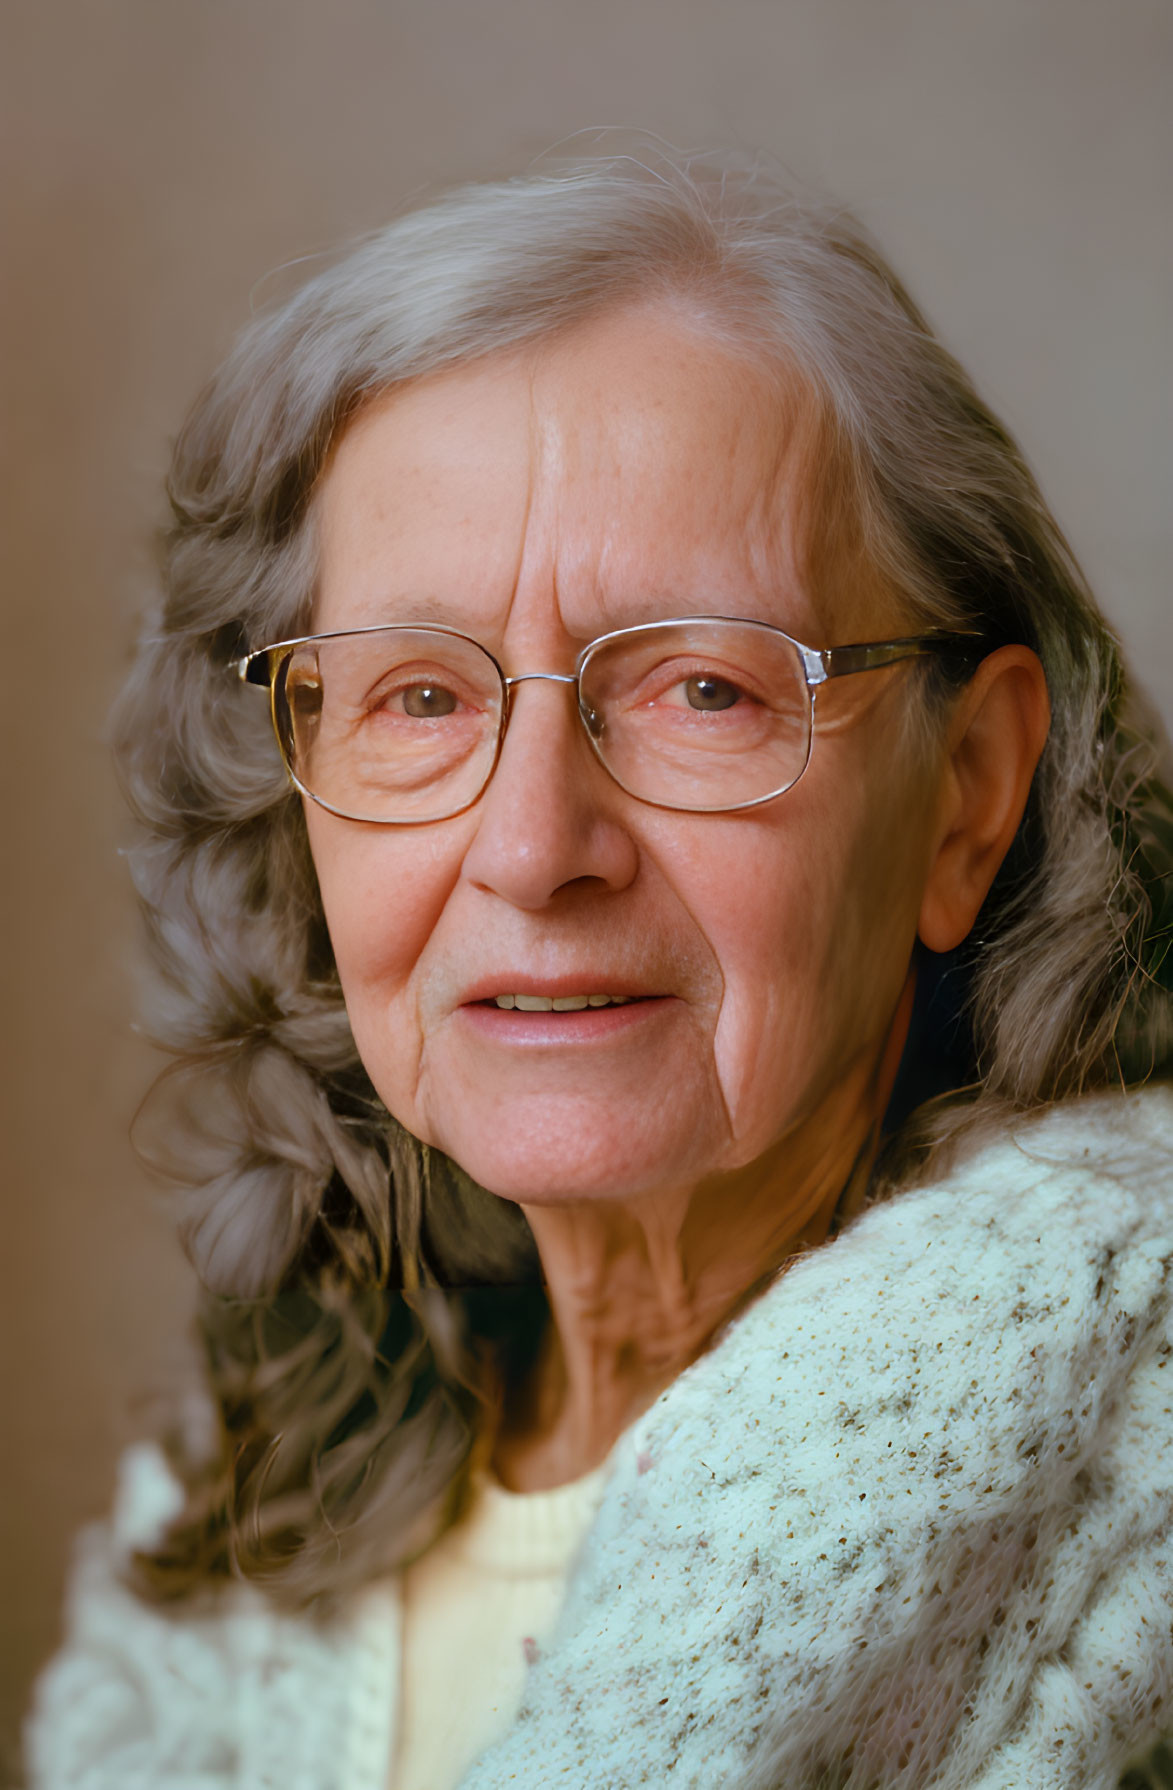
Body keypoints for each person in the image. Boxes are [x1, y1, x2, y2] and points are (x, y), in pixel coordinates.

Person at [26, 146, 1173, 1790]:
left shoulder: (1139, 1491)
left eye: (703, 688)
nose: (531, 843)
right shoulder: (222, 1529)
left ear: (964, 799)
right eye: (417, 695)